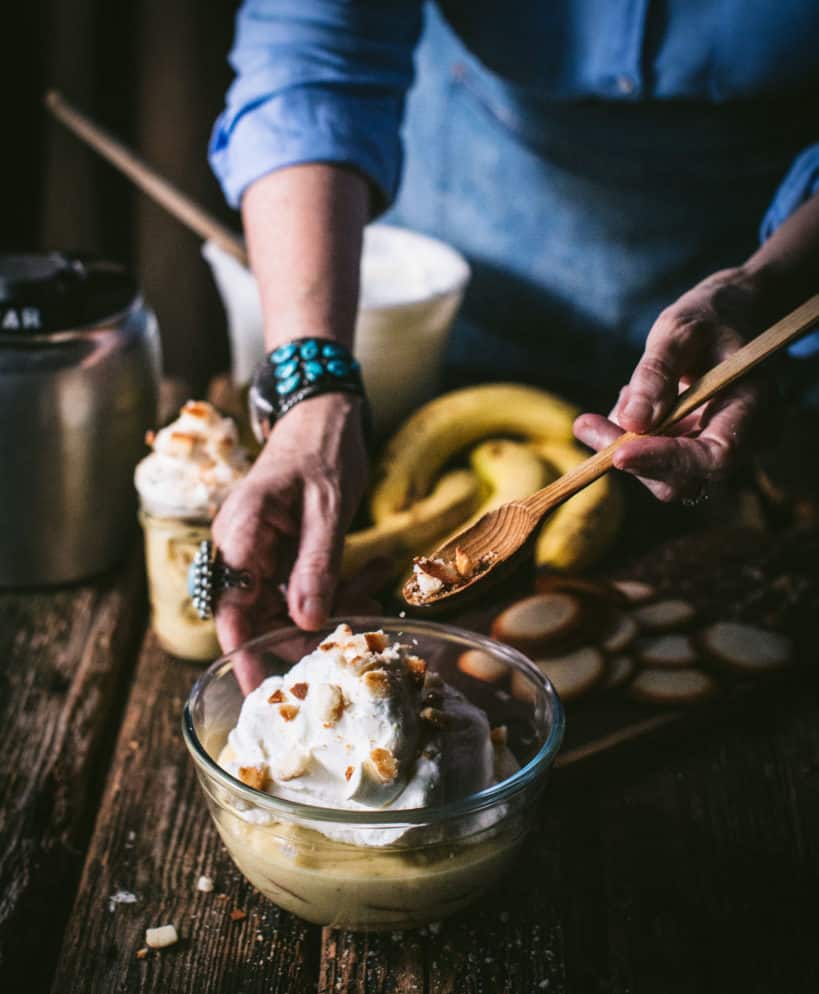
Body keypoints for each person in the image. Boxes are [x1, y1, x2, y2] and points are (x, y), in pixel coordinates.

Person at [207, 0, 819, 653]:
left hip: (761, 305)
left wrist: (772, 288)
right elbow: (308, 55)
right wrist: (312, 383)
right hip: (462, 286)